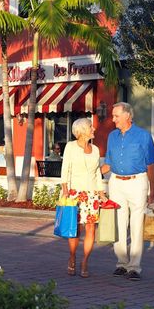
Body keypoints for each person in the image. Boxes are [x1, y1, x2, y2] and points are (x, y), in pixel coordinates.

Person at [101, 102, 154, 281]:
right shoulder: (112, 136)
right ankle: (121, 263)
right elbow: (108, 164)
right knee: (118, 224)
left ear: (127, 116)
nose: (113, 119)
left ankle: (134, 267)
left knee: (136, 225)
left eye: (116, 116)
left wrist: (152, 192)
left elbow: (151, 165)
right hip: (116, 182)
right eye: (113, 115)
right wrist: (91, 175)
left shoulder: (143, 136)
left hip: (137, 182)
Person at [60, 118, 107, 278]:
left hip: (92, 195)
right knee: (75, 229)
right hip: (75, 193)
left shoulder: (95, 149)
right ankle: (72, 257)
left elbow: (97, 174)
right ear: (80, 131)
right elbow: (65, 169)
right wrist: (65, 189)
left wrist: (101, 194)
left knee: (90, 228)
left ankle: (85, 260)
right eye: (90, 126)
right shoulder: (70, 147)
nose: (93, 128)